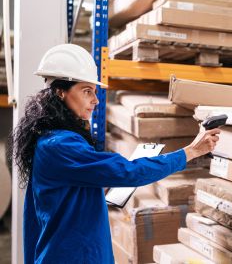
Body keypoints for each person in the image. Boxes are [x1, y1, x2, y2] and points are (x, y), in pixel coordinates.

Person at [9, 44, 220, 264]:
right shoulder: (60, 145)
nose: (96, 100)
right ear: (60, 92)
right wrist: (191, 151)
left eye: (94, 91)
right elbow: (128, 172)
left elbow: (64, 196)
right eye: (87, 91)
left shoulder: (52, 138)